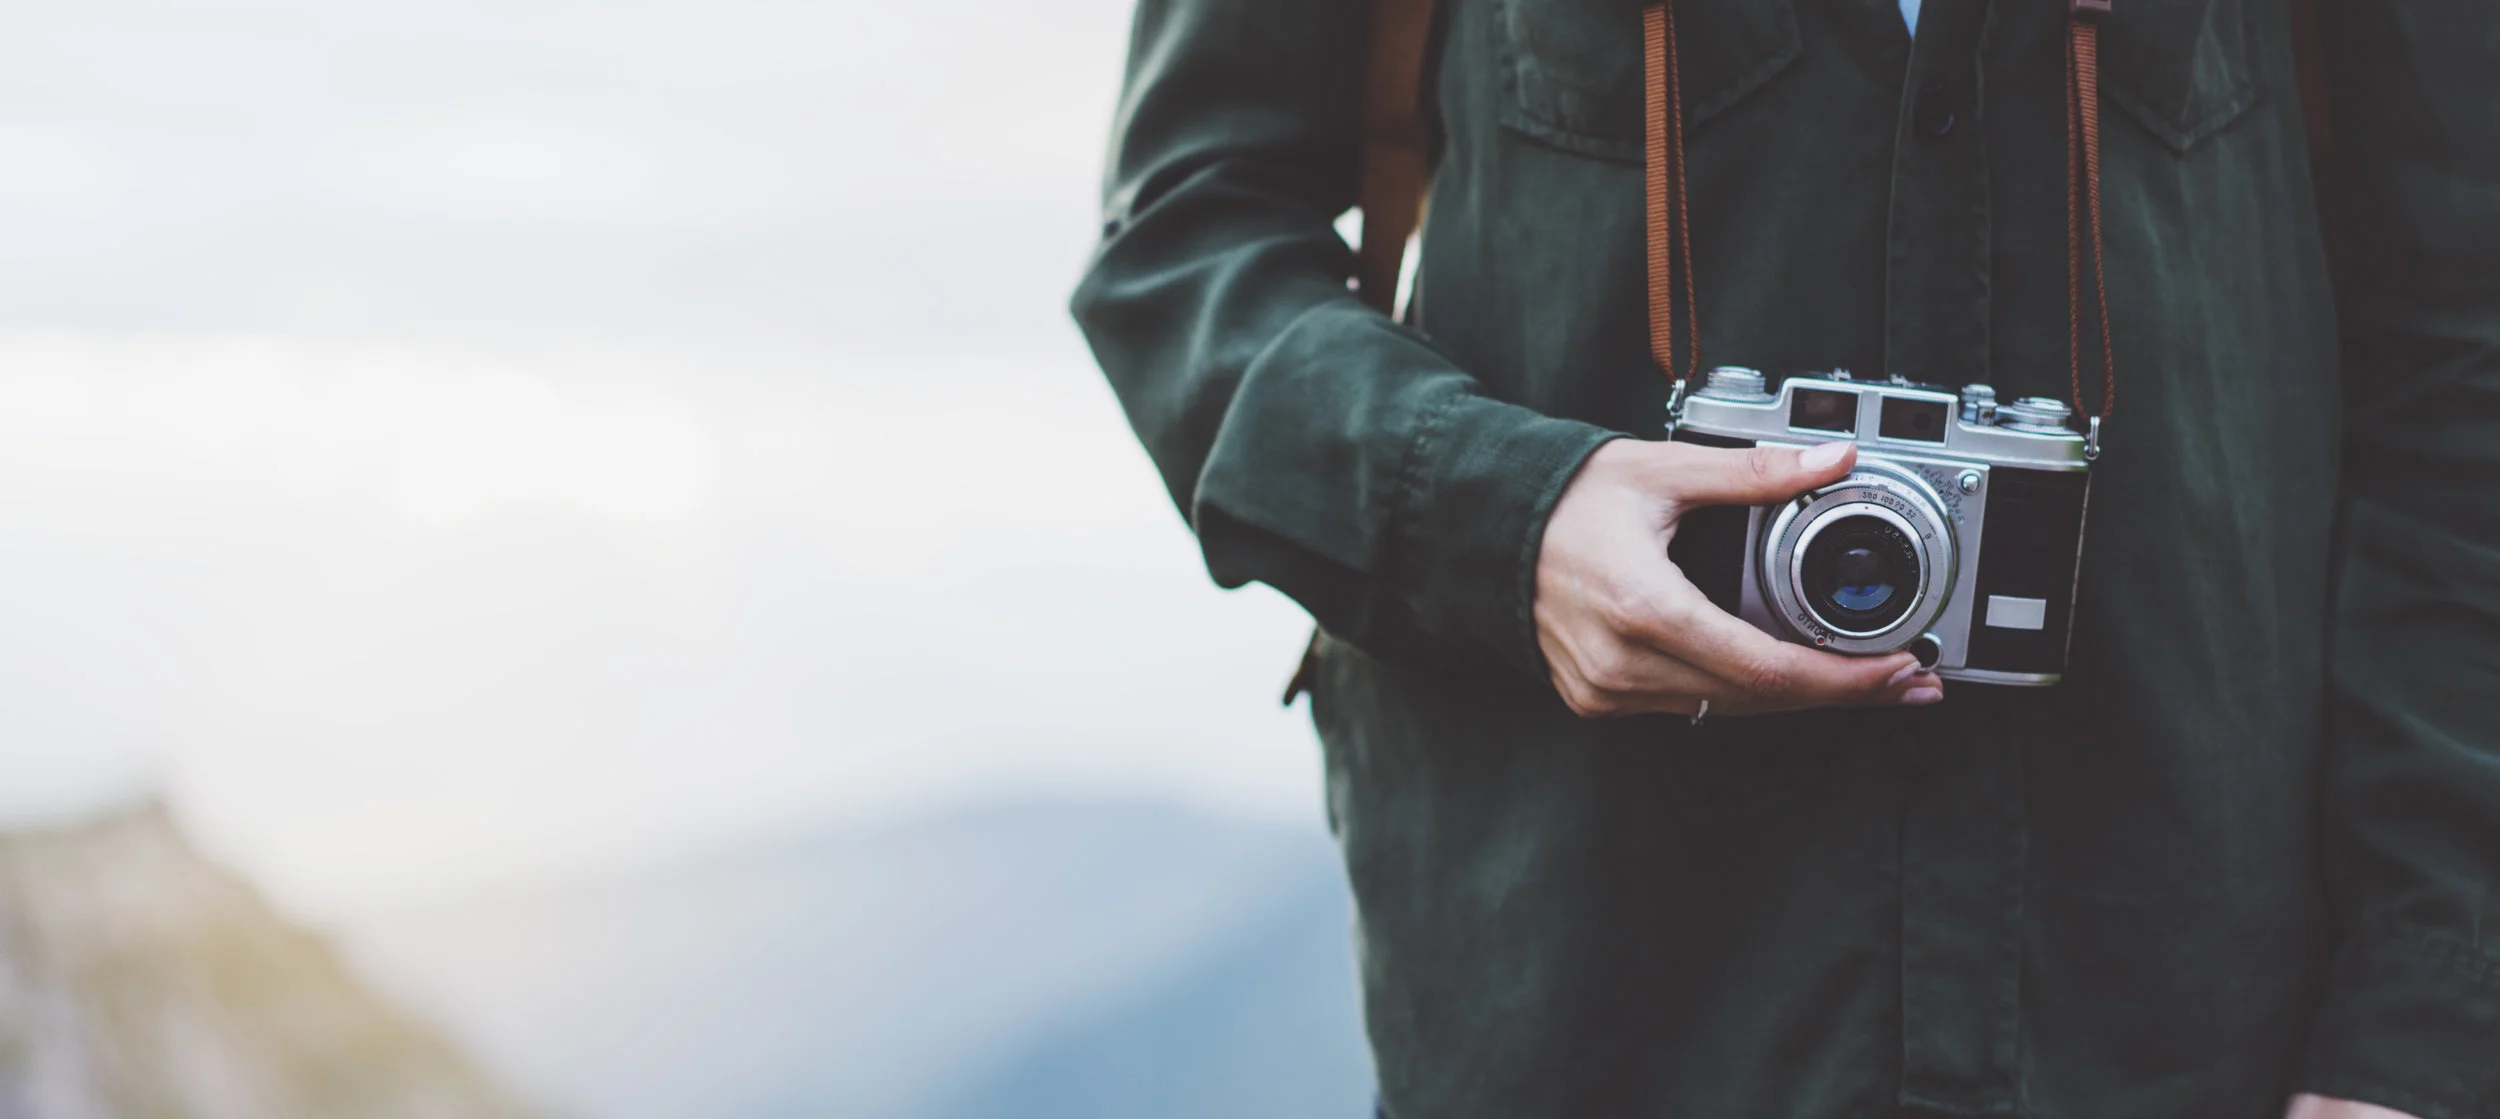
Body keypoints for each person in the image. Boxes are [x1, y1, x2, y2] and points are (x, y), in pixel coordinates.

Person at [1072, 1, 2500, 1116]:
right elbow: (1186, 241)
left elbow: (2461, 365)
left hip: (2187, 1029)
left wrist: (2418, 1032)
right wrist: (1513, 521)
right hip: (1579, 1005)